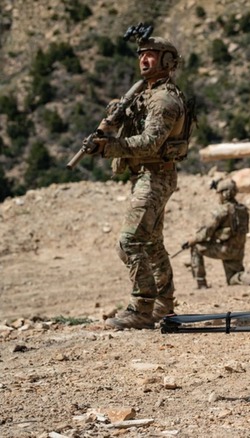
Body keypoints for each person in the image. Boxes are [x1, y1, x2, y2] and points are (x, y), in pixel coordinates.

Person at [85, 36, 192, 329]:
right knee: (152, 243)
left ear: (167, 61)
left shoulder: (165, 99)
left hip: (155, 174)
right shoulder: (145, 94)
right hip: (149, 174)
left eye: (152, 55)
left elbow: (149, 143)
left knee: (130, 241)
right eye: (141, 55)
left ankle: (141, 308)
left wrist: (109, 147)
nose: (144, 60)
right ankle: (163, 306)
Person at [184, 178, 250, 288]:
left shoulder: (223, 210)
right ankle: (249, 278)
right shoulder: (242, 210)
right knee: (232, 279)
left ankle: (201, 283)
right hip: (238, 251)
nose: (219, 197)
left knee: (196, 247)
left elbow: (206, 232)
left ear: (225, 193)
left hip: (225, 250)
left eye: (220, 193)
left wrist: (192, 240)